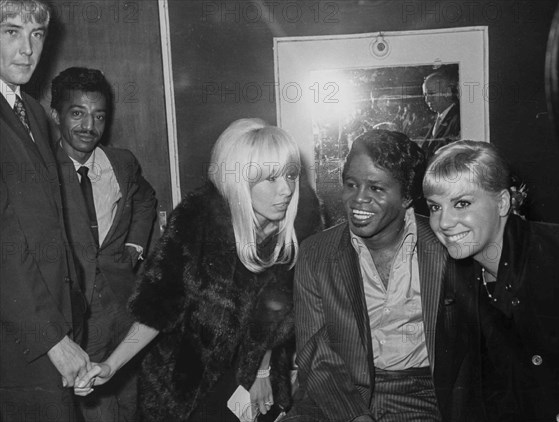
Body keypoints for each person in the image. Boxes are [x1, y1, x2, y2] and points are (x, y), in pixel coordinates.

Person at [74, 118, 322, 422]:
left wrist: (263, 370)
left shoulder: (301, 232)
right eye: (270, 179)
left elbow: (280, 319)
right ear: (239, 181)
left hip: (257, 377)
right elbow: (158, 310)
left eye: (291, 175)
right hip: (184, 381)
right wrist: (111, 365)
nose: (286, 190)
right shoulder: (197, 223)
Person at [285, 130, 483, 422]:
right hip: (336, 393)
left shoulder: (446, 246)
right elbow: (314, 354)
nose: (358, 199)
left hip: (420, 398)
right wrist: (354, 417)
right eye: (351, 184)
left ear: (406, 196)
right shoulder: (316, 254)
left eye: (376, 189)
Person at [423, 140, 559, 422]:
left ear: (502, 202)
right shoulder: (460, 277)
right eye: (434, 207)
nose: (444, 222)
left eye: (462, 203)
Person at [51, 67, 157, 422]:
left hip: (123, 301)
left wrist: (136, 246)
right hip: (77, 311)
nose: (88, 126)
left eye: (98, 116)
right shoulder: (42, 171)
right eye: (77, 113)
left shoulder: (121, 162)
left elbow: (146, 199)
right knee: (93, 402)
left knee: (129, 395)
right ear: (56, 115)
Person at [0, 1, 90, 420]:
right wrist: (53, 339)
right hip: (18, 339)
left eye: (36, 35)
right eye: (11, 32)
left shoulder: (33, 112)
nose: (26, 50)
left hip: (47, 324)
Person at [420, 69, 460, 159]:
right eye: (425, 95)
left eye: (431, 93)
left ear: (448, 92)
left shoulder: (459, 119)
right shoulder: (439, 119)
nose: (427, 100)